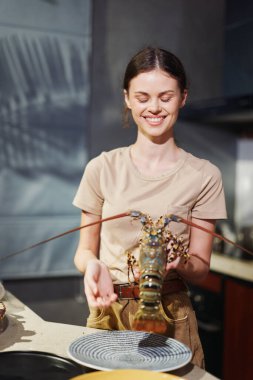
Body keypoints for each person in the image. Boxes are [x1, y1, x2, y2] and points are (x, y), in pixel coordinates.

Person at [73, 46, 227, 368]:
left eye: (166, 97)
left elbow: (200, 267)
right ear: (127, 98)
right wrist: (93, 266)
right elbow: (84, 251)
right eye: (142, 97)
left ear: (183, 97)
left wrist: (180, 261)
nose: (154, 107)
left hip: (172, 314)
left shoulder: (205, 175)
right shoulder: (101, 168)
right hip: (111, 310)